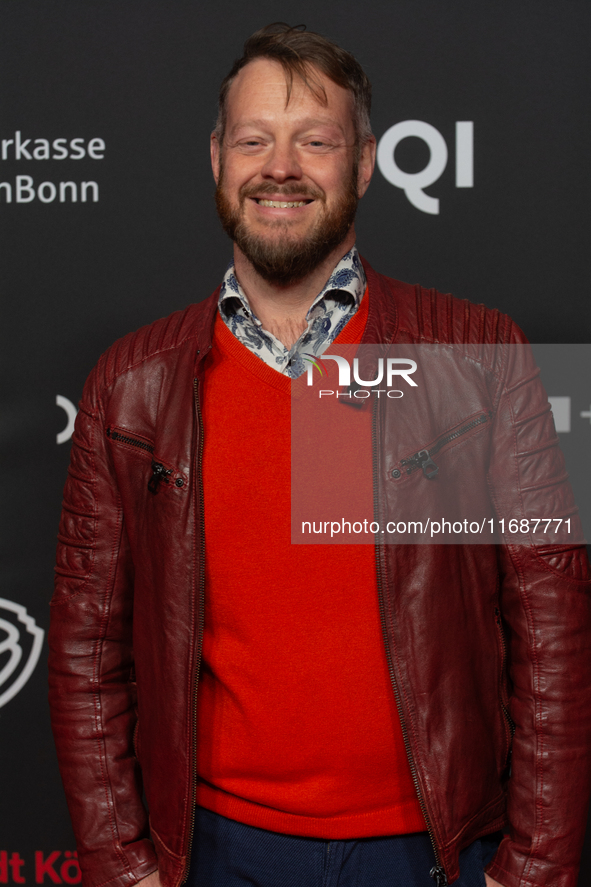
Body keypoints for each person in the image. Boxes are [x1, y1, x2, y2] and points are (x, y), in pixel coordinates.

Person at [48, 23, 591, 887]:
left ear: (366, 164)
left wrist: (535, 867)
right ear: (217, 157)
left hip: (438, 852)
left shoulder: (480, 351)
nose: (281, 167)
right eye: (255, 139)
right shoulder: (131, 382)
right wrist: (121, 868)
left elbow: (553, 625)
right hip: (214, 851)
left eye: (315, 141)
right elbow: (85, 652)